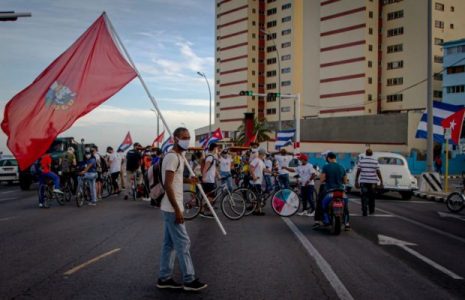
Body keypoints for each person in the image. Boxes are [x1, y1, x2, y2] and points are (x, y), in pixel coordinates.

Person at [157, 127, 207, 292]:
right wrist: (178, 210)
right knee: (183, 243)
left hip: (169, 207)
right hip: (172, 208)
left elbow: (176, 178)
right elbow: (168, 185)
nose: (187, 139)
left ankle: (164, 278)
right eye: (184, 137)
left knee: (169, 244)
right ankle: (189, 279)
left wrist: (189, 180)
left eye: (188, 137)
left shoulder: (179, 156)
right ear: (175, 139)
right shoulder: (172, 157)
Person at [318, 152, 350, 230]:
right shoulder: (342, 167)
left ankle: (326, 220)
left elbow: (321, 180)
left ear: (328, 158)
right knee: (345, 207)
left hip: (329, 192)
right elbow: (345, 181)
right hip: (341, 191)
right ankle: (347, 223)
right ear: (335, 158)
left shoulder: (326, 167)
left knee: (323, 205)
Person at [355, 149, 383, 216]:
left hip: (363, 181)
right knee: (372, 196)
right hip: (373, 182)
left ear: (366, 154)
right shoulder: (375, 161)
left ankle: (364, 210)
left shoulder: (361, 161)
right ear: (372, 154)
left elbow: (358, 171)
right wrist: (381, 181)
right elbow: (378, 171)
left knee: (364, 196)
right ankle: (371, 210)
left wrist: (356, 180)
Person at [201, 143, 219, 214]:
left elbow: (213, 168)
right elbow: (205, 168)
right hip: (208, 179)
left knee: (207, 195)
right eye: (217, 148)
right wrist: (203, 177)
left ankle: (203, 209)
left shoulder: (211, 156)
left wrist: (218, 175)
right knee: (210, 196)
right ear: (214, 148)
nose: (217, 150)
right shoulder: (210, 157)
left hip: (210, 179)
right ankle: (205, 209)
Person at [250, 148, 268, 215]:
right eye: (265, 155)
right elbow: (251, 167)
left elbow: (264, 169)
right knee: (258, 196)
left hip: (259, 181)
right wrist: (254, 176)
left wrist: (273, 172)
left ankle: (257, 210)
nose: (265, 156)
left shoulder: (261, 161)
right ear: (262, 154)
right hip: (256, 181)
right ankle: (257, 211)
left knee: (257, 195)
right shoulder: (256, 160)